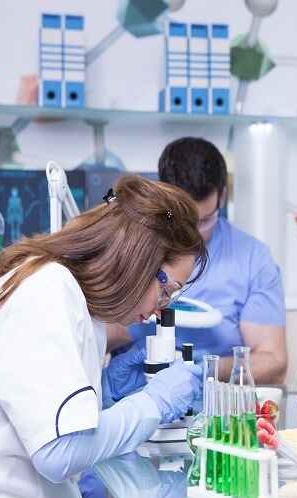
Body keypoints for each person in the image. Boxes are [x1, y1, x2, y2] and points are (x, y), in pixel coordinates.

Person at [0, 175, 208, 498]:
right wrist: (154, 401)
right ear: (137, 258)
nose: (162, 307)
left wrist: (111, 390)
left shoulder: (71, 296)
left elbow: (47, 409)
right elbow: (58, 452)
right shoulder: (46, 290)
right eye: (167, 286)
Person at [106, 136, 287, 385]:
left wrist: (197, 370)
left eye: (203, 221)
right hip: (130, 398)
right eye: (181, 218)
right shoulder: (127, 243)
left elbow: (273, 361)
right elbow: (91, 335)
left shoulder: (253, 259)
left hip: (213, 403)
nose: (191, 232)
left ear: (222, 197)